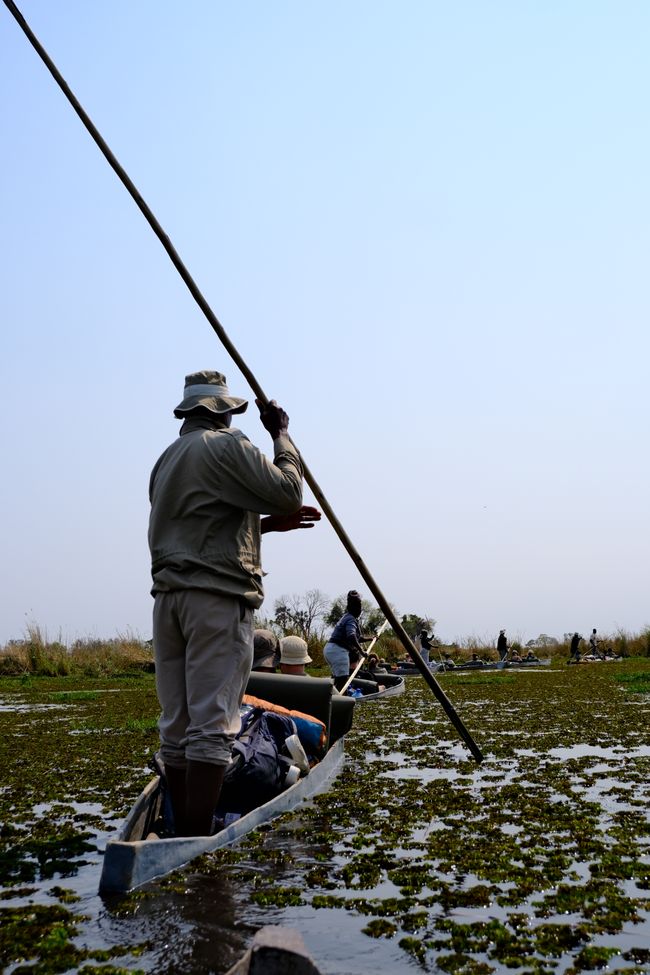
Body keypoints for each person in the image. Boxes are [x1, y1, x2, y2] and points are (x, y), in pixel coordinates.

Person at [148, 369, 321, 837]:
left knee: (179, 727)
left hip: (169, 605)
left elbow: (200, 529)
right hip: (216, 602)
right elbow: (288, 490)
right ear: (222, 411)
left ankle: (180, 829)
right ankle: (194, 843)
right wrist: (281, 435)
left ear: (188, 412)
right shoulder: (228, 446)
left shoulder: (167, 461)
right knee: (214, 726)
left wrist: (262, 527)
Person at [323, 590, 372, 690]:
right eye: (359, 607)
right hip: (338, 651)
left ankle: (331, 698)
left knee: (337, 679)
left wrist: (370, 638)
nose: (360, 610)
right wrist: (362, 651)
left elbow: (357, 638)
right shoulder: (351, 619)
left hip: (330, 650)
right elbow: (351, 636)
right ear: (355, 608)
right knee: (342, 681)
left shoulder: (346, 617)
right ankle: (338, 701)